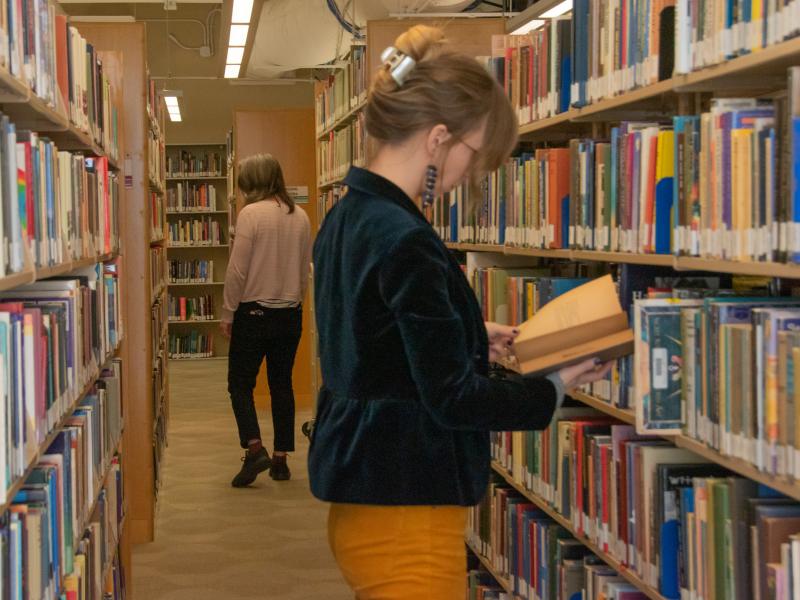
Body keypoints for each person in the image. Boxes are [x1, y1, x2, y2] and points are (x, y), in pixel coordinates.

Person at [309, 24, 613, 600]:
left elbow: (370, 340)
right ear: (438, 138)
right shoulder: (406, 237)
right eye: (475, 154)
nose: (472, 175)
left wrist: (470, 333)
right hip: (406, 511)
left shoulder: (348, 217)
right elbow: (452, 400)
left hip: (366, 496)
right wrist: (553, 386)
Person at [221, 153, 310, 486]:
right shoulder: (299, 215)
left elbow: (237, 270)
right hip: (290, 313)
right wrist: (294, 302)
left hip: (254, 312)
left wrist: (228, 312)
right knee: (281, 384)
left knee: (240, 384)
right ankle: (281, 459)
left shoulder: (250, 215)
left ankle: (255, 447)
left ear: (252, 182)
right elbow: (304, 271)